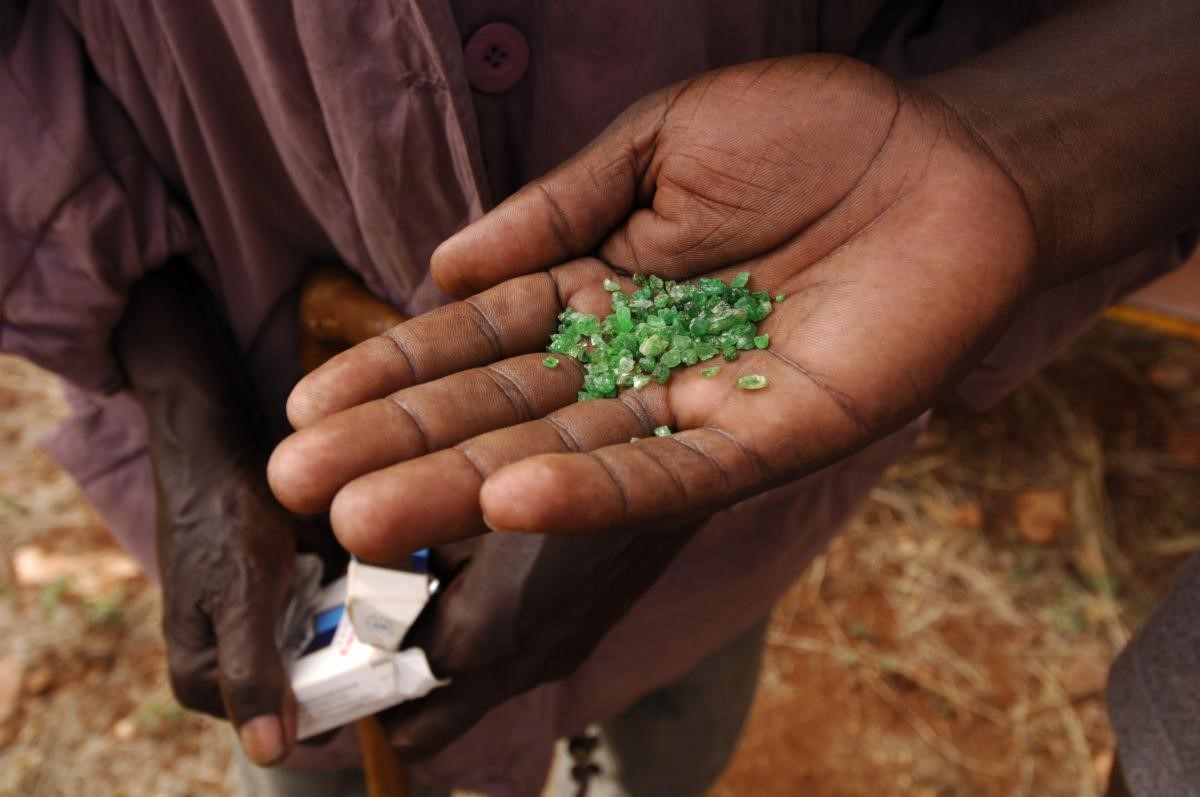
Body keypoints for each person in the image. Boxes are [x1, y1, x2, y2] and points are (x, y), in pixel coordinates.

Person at [2, 1, 1196, 795]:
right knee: (320, 738)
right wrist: (172, 377)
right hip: (259, 351)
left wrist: (983, 152)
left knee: (677, 705)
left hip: (719, 522)